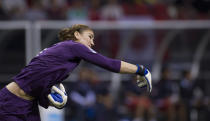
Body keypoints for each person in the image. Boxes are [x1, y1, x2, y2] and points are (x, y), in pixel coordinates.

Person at [0, 24, 152, 121]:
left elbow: (36, 81)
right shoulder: (74, 47)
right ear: (77, 35)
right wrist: (140, 70)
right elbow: (108, 63)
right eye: (90, 37)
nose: (92, 42)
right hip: (11, 102)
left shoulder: (63, 53)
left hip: (28, 105)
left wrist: (49, 98)